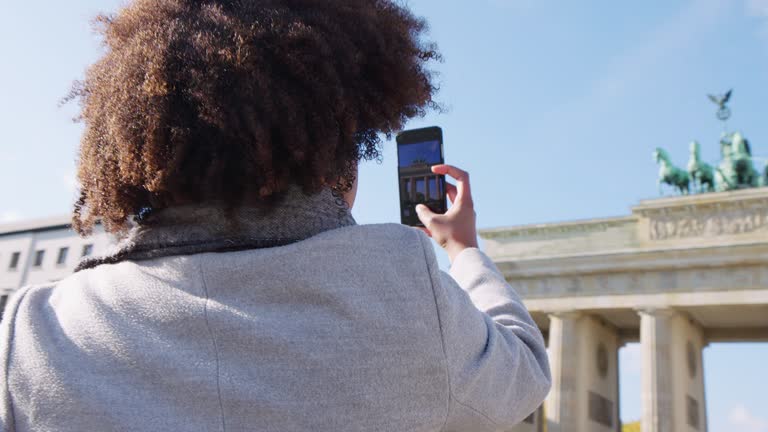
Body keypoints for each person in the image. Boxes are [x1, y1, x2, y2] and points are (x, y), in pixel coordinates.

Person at [0, 0, 551, 431]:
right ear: (335, 157)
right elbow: (524, 372)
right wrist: (464, 250)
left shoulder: (30, 332)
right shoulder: (405, 292)